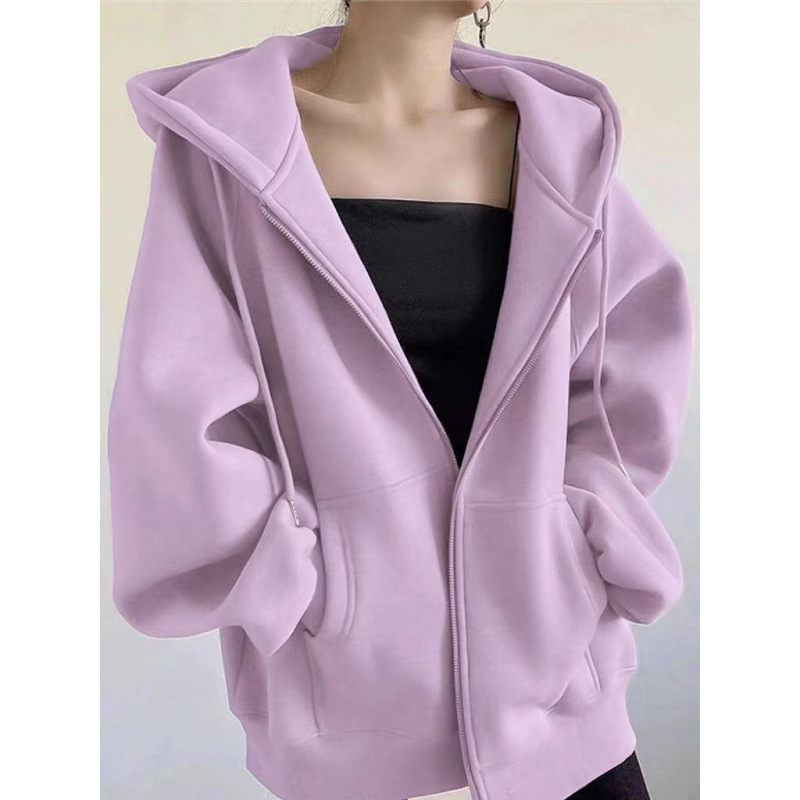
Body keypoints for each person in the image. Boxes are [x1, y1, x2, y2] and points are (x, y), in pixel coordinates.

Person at [108, 3, 694, 800]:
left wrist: (576, 535)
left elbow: (625, 373)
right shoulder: (228, 148)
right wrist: (307, 592)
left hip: (564, 711)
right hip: (349, 725)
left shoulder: (559, 147)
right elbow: (177, 415)